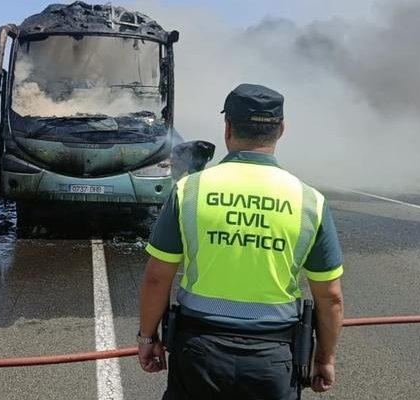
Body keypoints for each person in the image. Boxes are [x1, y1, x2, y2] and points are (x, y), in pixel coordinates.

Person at [137, 84, 345, 399]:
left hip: (199, 353)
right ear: (281, 129)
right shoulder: (309, 201)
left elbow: (156, 277)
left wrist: (147, 337)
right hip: (273, 359)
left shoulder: (190, 191)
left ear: (228, 127)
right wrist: (324, 358)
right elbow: (330, 298)